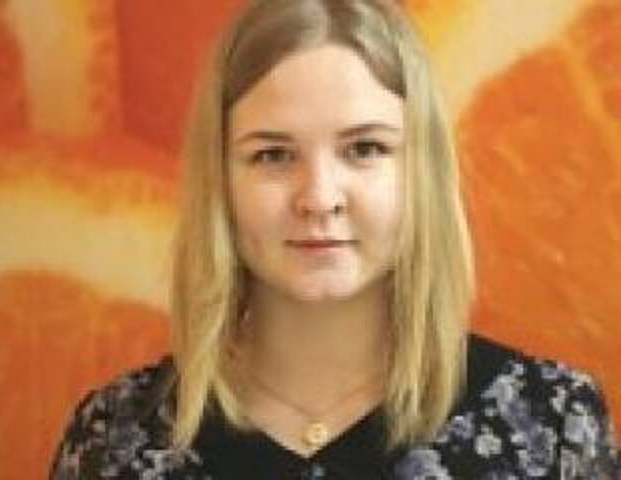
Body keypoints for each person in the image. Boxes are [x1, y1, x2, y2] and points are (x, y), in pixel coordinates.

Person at [49, 0, 620, 478]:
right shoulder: (111, 441)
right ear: (218, 179)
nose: (319, 198)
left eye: (364, 149)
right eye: (273, 155)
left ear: (421, 170)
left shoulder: (555, 428)